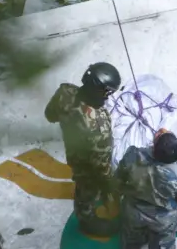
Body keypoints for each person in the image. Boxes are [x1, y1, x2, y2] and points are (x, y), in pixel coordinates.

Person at [45, 62, 122, 237]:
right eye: (108, 92)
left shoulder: (65, 92)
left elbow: (50, 115)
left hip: (73, 150)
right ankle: (87, 220)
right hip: (88, 165)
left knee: (84, 180)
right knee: (87, 188)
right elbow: (102, 167)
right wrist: (108, 184)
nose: (109, 97)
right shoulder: (99, 125)